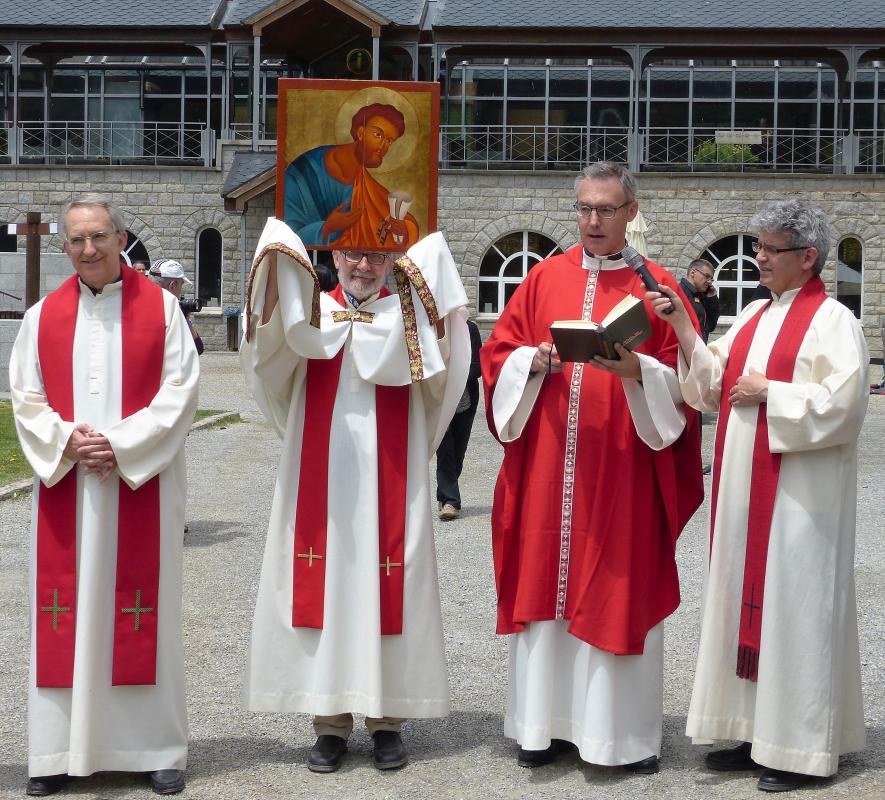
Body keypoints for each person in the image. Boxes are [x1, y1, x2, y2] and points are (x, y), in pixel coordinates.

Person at [480, 162, 703, 775]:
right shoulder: (542, 278)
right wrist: (534, 361)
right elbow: (497, 354)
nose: (593, 220)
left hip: (624, 470)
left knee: (617, 586)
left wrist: (638, 371)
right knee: (543, 581)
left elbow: (690, 384)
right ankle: (541, 729)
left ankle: (618, 739)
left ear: (631, 212)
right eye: (583, 208)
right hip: (550, 466)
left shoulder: (658, 289)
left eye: (606, 209)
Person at [647, 199, 869, 793]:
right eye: (759, 246)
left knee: (795, 606)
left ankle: (796, 745)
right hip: (746, 489)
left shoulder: (833, 322)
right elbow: (712, 385)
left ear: (809, 257)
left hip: (801, 501)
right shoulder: (751, 315)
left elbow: (843, 407)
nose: (758, 257)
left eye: (771, 249)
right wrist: (682, 327)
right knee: (743, 599)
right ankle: (750, 730)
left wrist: (772, 391)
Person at [240, 218, 469, 773]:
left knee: (389, 582)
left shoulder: (406, 317)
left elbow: (448, 375)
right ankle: (330, 722)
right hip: (320, 483)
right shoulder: (309, 317)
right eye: (351, 254)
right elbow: (268, 362)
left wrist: (438, 310)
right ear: (335, 256)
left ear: (391, 262)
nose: (362, 265)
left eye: (374, 256)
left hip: (391, 478)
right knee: (327, 586)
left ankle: (387, 720)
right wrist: (271, 303)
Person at [8, 194, 199, 796]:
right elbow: (25, 397)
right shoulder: (42, 318)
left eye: (99, 236)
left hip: (138, 483)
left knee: (142, 610)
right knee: (64, 612)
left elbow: (180, 393)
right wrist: (68, 442)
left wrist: (118, 445)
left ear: (121, 238)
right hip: (68, 487)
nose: (88, 249)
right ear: (63, 247)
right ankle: (56, 752)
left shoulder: (163, 310)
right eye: (76, 240)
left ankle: (154, 747)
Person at [284, 103, 419, 249]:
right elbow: (287, 237)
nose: (383, 146)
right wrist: (327, 228)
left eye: (389, 141)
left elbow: (404, 222)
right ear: (360, 132)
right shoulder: (302, 172)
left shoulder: (366, 184)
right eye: (378, 135)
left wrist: (403, 229)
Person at [436, 318, 482, 520]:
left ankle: (445, 492)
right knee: (445, 451)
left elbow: (479, 365)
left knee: (458, 453)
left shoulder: (469, 328)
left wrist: (456, 376)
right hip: (438, 402)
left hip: (465, 402)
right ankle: (450, 502)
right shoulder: (428, 327)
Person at [150, 258, 203, 356]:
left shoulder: (136, 305)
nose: (181, 292)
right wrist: (185, 320)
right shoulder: (171, 313)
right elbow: (197, 348)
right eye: (181, 285)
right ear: (173, 285)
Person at [679, 258, 720, 341]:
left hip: (698, 350)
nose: (709, 282)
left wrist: (712, 299)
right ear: (693, 272)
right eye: (707, 276)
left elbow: (711, 326)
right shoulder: (679, 293)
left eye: (711, 279)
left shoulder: (701, 296)